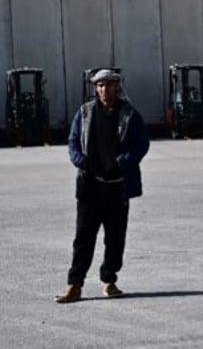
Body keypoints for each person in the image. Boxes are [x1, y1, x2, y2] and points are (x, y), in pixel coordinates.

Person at [54, 69, 150, 303]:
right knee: (83, 239)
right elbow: (73, 142)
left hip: (118, 187)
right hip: (90, 186)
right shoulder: (85, 113)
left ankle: (109, 279)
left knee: (115, 238)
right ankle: (74, 285)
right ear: (94, 88)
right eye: (100, 86)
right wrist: (81, 160)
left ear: (117, 86)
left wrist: (123, 162)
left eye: (108, 85)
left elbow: (141, 144)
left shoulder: (129, 114)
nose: (104, 90)